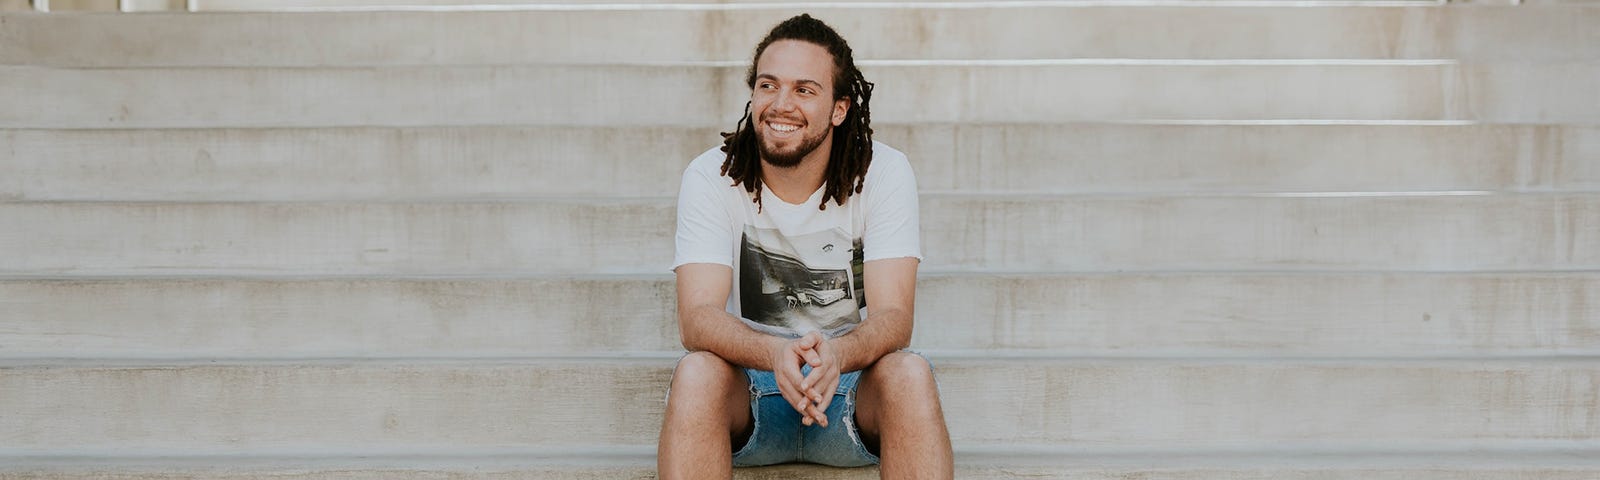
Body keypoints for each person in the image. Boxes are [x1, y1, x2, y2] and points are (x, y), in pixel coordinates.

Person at [657, 13, 953, 480]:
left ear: (839, 108)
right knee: (697, 372)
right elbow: (697, 320)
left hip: (850, 390)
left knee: (908, 374)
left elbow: (895, 319)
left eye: (804, 89)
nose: (780, 104)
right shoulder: (711, 175)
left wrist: (836, 355)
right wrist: (776, 355)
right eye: (768, 85)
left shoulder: (884, 173)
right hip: (752, 392)